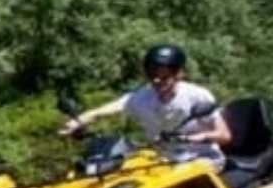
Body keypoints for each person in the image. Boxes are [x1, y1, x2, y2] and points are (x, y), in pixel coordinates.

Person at [60, 43, 231, 161]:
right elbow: (101, 112)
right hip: (162, 160)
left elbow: (224, 136)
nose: (157, 82)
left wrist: (193, 138)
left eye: (164, 77)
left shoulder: (197, 96)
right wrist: (77, 121)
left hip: (202, 159)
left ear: (179, 74)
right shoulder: (142, 97)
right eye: (152, 76)